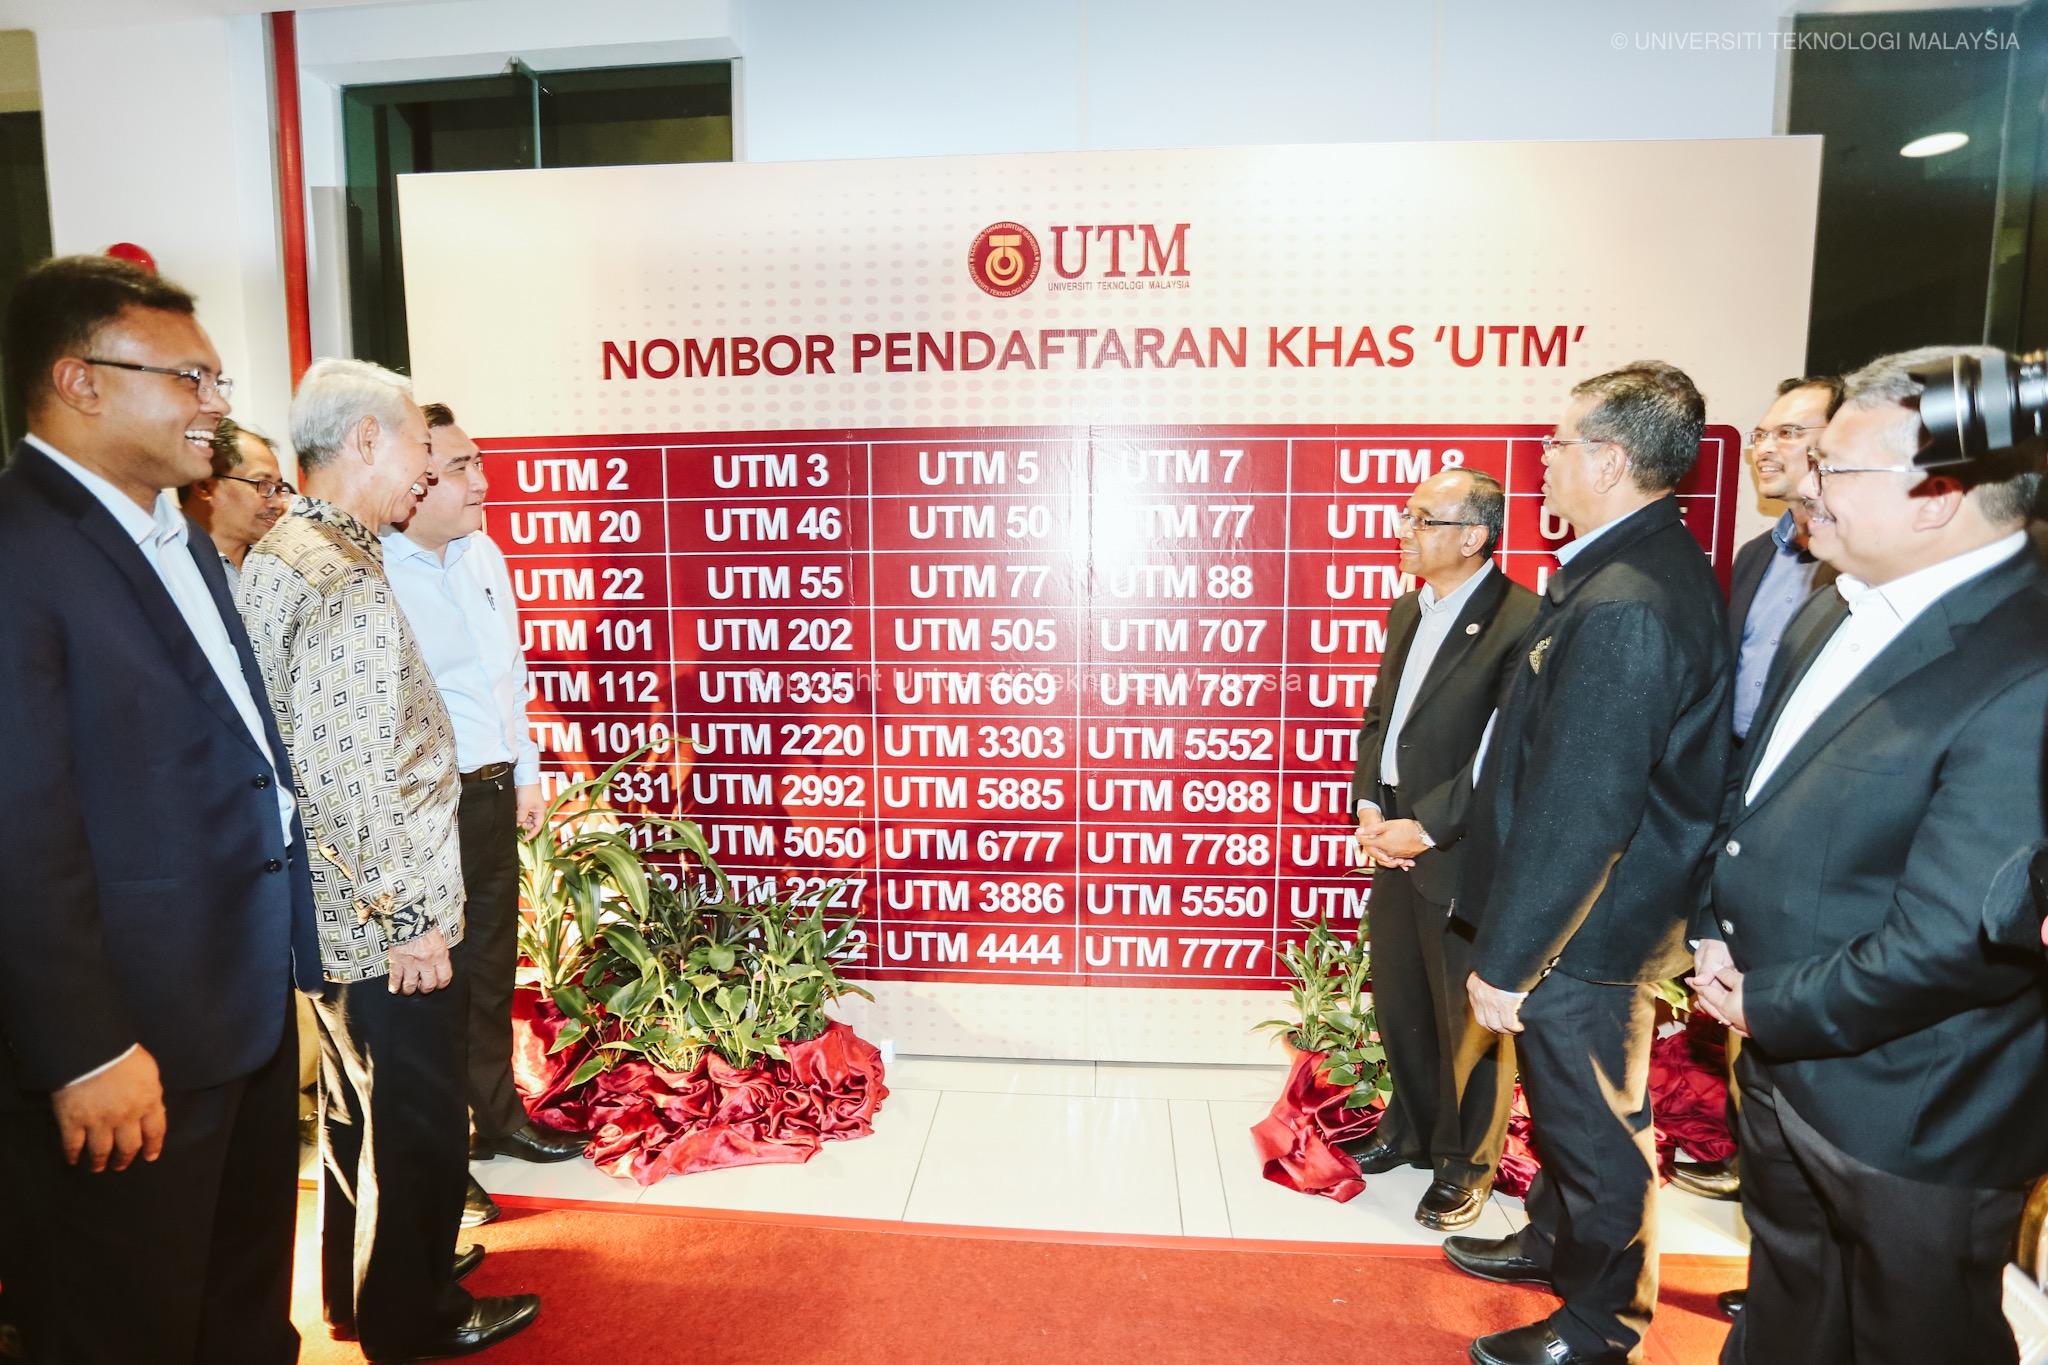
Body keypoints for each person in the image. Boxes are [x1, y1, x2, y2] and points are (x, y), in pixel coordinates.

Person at [1691, 346, 2048, 1365]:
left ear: (1937, 496)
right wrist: (1714, 927)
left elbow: (1958, 937)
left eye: (1833, 465)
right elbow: (1753, 796)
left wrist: (1765, 1003)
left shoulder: (2024, 664)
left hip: (1913, 1114)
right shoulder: (1831, 602)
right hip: (1780, 1070)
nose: (1804, 485)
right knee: (1788, 1315)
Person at [0, 254, 320, 1362]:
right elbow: (19, 830)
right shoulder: (21, 550)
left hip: (234, 1013)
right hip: (124, 1047)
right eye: (190, 378)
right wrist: (84, 1049)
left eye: (217, 379)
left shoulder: (171, 534)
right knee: (124, 1325)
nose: (216, 404)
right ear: (79, 381)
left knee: (240, 1311)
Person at [239, 358, 540, 1359]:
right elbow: (352, 776)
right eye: (420, 443)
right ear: (366, 440)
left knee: (354, 1115)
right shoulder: (343, 580)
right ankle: (414, 1319)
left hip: (330, 909)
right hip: (383, 925)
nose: (430, 467)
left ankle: (359, 1291)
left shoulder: (291, 549)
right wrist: (410, 920)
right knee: (414, 1120)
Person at [1442, 362, 1734, 1365]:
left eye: (1557, 445)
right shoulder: (1623, 569)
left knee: (1596, 1132)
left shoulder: (1628, 602)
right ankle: (1552, 1242)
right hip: (1589, 914)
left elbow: (1584, 807)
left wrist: (1511, 957)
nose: (1542, 462)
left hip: (1589, 925)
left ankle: (1601, 1325)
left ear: (1608, 460)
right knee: (1569, 1112)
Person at [383, 403, 585, 1210]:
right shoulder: (376, 572)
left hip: (494, 792)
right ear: (416, 476)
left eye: (479, 462)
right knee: (432, 989)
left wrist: (526, 773)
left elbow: (512, 675)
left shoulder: (483, 553)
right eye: (462, 466)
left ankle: (498, 1119)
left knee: (491, 970)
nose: (482, 481)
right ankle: (442, 1154)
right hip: (425, 808)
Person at [1344, 467, 1538, 1231]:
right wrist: (1369, 804)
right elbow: (1380, 719)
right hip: (1390, 831)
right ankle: (1413, 1130)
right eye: (1407, 515)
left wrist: (1425, 827)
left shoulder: (1522, 619)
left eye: (1423, 519)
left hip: (1459, 844)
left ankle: (1466, 1163)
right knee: (1402, 996)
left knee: (1466, 1013)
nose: (1404, 530)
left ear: (1473, 536)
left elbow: (1506, 754)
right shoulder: (1408, 608)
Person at [179, 417, 294, 593]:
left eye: (278, 488)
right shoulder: (171, 565)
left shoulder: (282, 569)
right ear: (204, 487)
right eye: (262, 484)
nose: (278, 503)